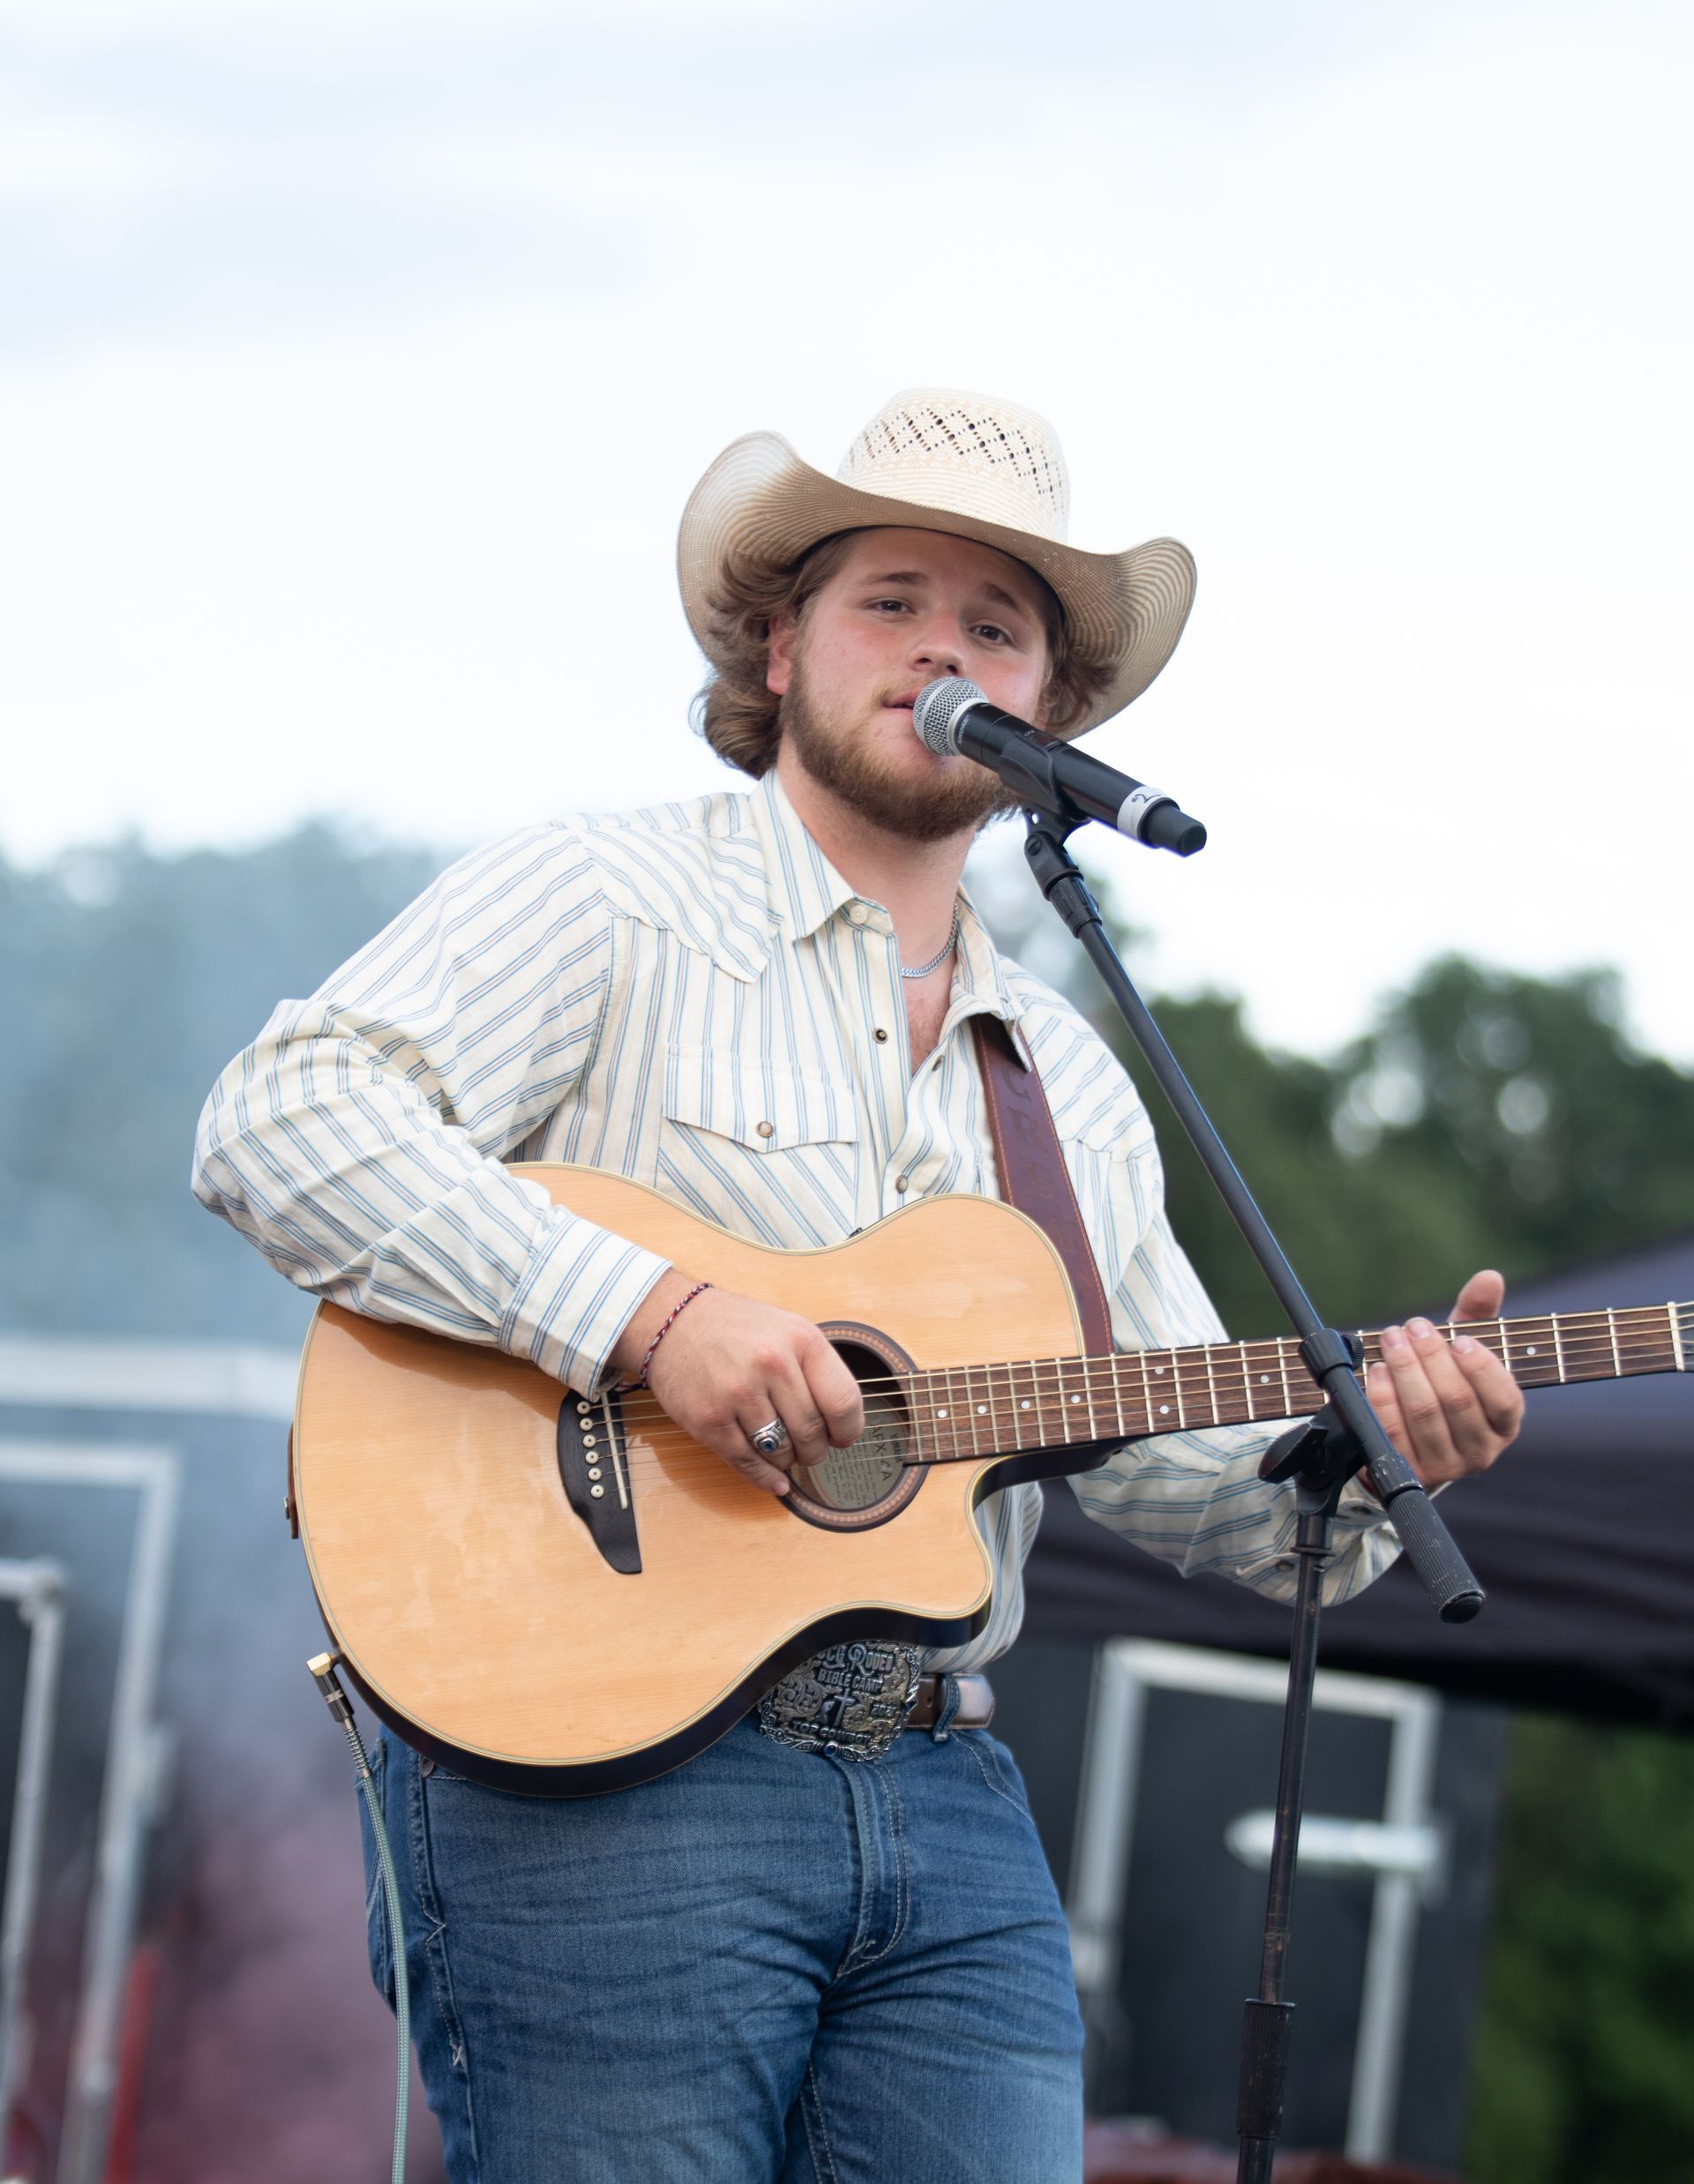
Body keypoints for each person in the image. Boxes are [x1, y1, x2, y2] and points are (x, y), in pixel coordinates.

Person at [192, 388, 1523, 2183]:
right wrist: (659, 1315)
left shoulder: (1063, 1071)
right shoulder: (611, 897)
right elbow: (282, 1116)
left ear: (1047, 706)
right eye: (895, 599)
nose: (942, 649)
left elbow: (1160, 1452)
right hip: (599, 1781)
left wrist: (1374, 1453)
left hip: (950, 1795)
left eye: (998, 626)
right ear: (780, 641)